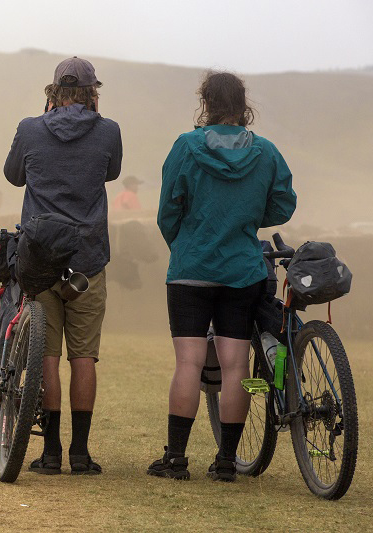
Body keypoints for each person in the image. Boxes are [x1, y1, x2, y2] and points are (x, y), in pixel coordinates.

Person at [148, 70, 296, 482]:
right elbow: (283, 204)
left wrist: (185, 243)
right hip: (242, 269)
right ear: (243, 105)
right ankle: (227, 461)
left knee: (189, 363)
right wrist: (246, 218)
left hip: (190, 269)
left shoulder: (185, 146)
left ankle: (176, 459)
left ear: (206, 102)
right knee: (236, 367)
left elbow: (167, 212)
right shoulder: (265, 152)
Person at [4, 56, 122, 475]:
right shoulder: (108, 131)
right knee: (84, 357)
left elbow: (13, 176)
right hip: (87, 259)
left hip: (39, 258)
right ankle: (81, 453)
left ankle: (50, 452)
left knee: (47, 357)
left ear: (53, 90)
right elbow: (112, 172)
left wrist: (43, 125)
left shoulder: (30, 128)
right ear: (93, 92)